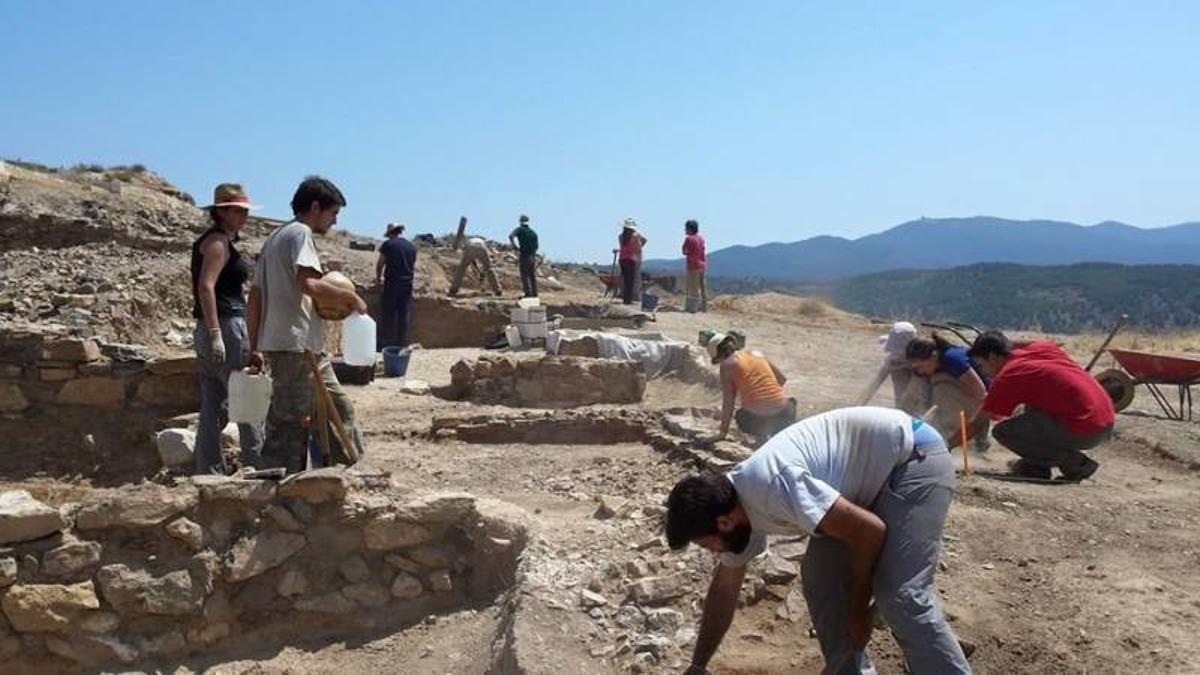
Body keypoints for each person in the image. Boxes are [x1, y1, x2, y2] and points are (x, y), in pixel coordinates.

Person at [666, 407, 971, 675]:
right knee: (820, 578)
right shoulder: (735, 507)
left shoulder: (772, 487)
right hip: (861, 489)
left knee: (900, 596)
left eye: (708, 545)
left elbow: (869, 532)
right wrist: (699, 665)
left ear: (724, 522)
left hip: (912, 458)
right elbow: (724, 591)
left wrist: (857, 609)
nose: (713, 551)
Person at [247, 176, 368, 474]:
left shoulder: (275, 237)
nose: (334, 222)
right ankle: (278, 491)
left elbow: (255, 297)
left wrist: (255, 346)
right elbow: (309, 284)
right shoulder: (300, 233)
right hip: (295, 348)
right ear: (315, 207)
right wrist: (350, 297)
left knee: (339, 412)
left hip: (304, 348)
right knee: (289, 425)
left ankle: (346, 480)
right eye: (333, 214)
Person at [968, 331, 1114, 481]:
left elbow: (978, 422)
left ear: (992, 357)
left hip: (1085, 430)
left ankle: (1075, 463)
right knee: (1032, 408)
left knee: (1004, 431)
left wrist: (946, 447)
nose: (983, 372)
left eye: (981, 365)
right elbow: (1022, 343)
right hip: (1105, 421)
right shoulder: (1042, 348)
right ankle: (1036, 467)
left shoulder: (1009, 375)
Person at [190, 183, 264, 475]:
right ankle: (258, 462)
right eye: (239, 210)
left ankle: (208, 468)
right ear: (222, 212)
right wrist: (216, 333)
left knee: (211, 402)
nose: (244, 215)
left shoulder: (212, 241)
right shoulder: (218, 243)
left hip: (210, 327)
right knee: (245, 394)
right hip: (225, 325)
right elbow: (206, 287)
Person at [706, 332, 796, 446]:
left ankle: (762, 436)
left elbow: (729, 402)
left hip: (757, 421)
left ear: (718, 356)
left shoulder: (726, 366)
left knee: (740, 416)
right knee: (791, 402)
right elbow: (781, 379)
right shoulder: (757, 353)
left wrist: (723, 432)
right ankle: (779, 433)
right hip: (785, 414)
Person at [906, 333, 991, 449]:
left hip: (984, 401)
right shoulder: (933, 364)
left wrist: (976, 427)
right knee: (934, 384)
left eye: (921, 367)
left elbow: (982, 394)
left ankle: (968, 436)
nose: (919, 371)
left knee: (941, 386)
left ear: (934, 356)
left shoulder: (953, 360)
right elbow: (913, 394)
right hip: (968, 400)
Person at [856, 321, 921, 414]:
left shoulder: (923, 361)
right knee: (897, 371)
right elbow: (873, 386)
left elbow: (914, 392)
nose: (894, 354)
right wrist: (856, 408)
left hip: (920, 405)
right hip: (902, 407)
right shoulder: (893, 360)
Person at [375, 222, 417, 349]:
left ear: (390, 234)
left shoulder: (388, 244)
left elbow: (380, 263)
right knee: (403, 315)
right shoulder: (411, 247)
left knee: (388, 314)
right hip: (407, 284)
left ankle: (385, 344)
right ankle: (401, 345)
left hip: (392, 283)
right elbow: (412, 264)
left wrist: (378, 278)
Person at [508, 214, 539, 298]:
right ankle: (535, 294)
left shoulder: (520, 229)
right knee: (532, 275)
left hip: (524, 255)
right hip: (532, 257)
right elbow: (537, 247)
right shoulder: (534, 233)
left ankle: (528, 293)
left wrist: (514, 246)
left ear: (520, 221)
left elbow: (511, 236)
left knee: (524, 275)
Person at [617, 218, 647, 305]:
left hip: (622, 259)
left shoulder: (621, 236)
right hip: (631, 259)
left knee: (626, 279)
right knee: (630, 281)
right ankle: (628, 300)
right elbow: (639, 246)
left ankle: (625, 298)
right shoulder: (636, 236)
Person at [682, 219, 708, 313]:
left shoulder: (689, 239)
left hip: (693, 265)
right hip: (702, 265)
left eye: (686, 228)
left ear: (690, 229)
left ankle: (693, 308)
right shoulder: (701, 239)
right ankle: (704, 308)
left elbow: (685, 251)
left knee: (693, 287)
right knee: (702, 287)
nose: (685, 230)